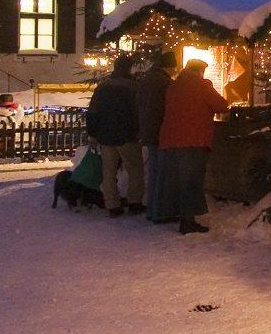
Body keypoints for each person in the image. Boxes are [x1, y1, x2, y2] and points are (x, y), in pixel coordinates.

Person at [159, 57, 226, 234]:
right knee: (191, 181)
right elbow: (221, 105)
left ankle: (182, 216)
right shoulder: (202, 85)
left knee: (180, 180)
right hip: (194, 140)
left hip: (172, 140)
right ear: (200, 71)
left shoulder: (173, 86)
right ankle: (188, 221)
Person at [85, 53, 144, 216]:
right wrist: (139, 130)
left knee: (109, 171)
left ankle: (112, 204)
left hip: (106, 135)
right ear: (129, 69)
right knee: (135, 169)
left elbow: (93, 112)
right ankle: (134, 202)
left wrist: (93, 133)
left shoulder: (103, 87)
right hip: (127, 134)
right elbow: (138, 112)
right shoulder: (134, 87)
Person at [134, 47, 178, 224]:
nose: (174, 71)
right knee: (162, 173)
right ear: (168, 67)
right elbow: (170, 108)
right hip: (161, 131)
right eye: (173, 68)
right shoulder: (165, 83)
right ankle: (161, 212)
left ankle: (151, 209)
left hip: (149, 131)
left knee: (153, 172)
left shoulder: (146, 80)